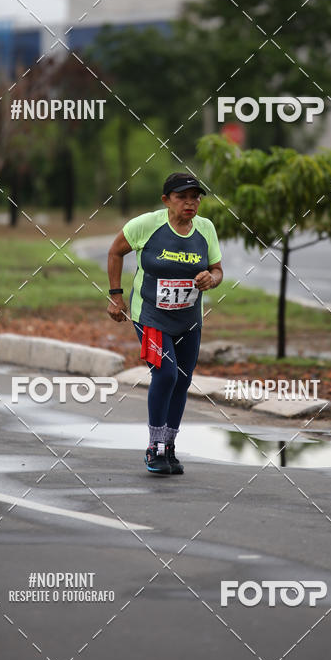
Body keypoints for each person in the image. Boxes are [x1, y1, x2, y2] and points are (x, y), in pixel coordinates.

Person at [107, 172, 223, 475]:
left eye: (195, 196)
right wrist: (116, 296)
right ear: (166, 200)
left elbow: (218, 269)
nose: (190, 202)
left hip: (188, 318)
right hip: (150, 315)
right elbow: (115, 251)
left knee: (183, 380)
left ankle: (169, 446)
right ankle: (154, 446)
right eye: (182, 197)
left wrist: (212, 278)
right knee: (166, 373)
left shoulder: (206, 229)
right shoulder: (146, 225)